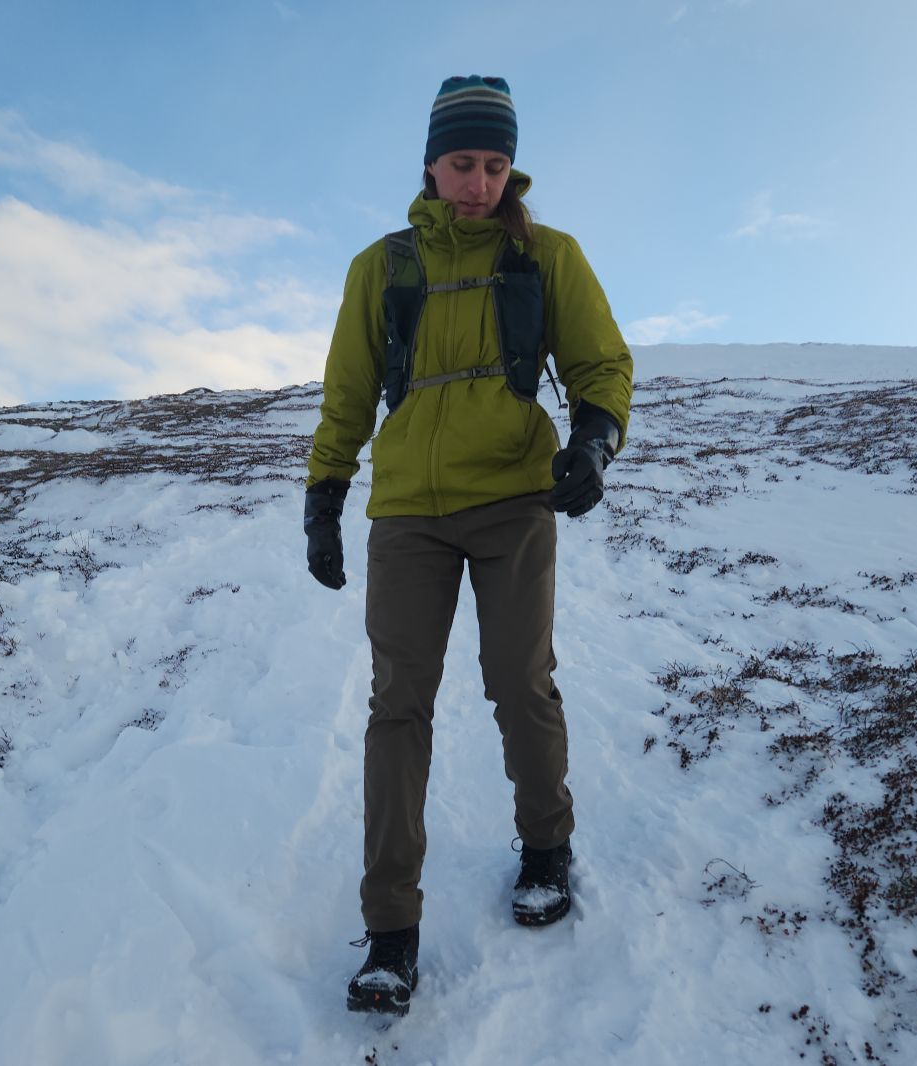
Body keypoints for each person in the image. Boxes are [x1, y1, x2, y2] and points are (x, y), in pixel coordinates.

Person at [303, 75, 634, 1016]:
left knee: (519, 682)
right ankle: (391, 932)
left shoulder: (547, 257)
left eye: (495, 164)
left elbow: (601, 362)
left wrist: (596, 439)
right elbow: (348, 388)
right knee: (397, 706)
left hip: (513, 503)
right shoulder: (384, 267)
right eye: (463, 163)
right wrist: (325, 492)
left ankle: (545, 847)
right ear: (431, 164)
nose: (480, 182)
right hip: (407, 513)